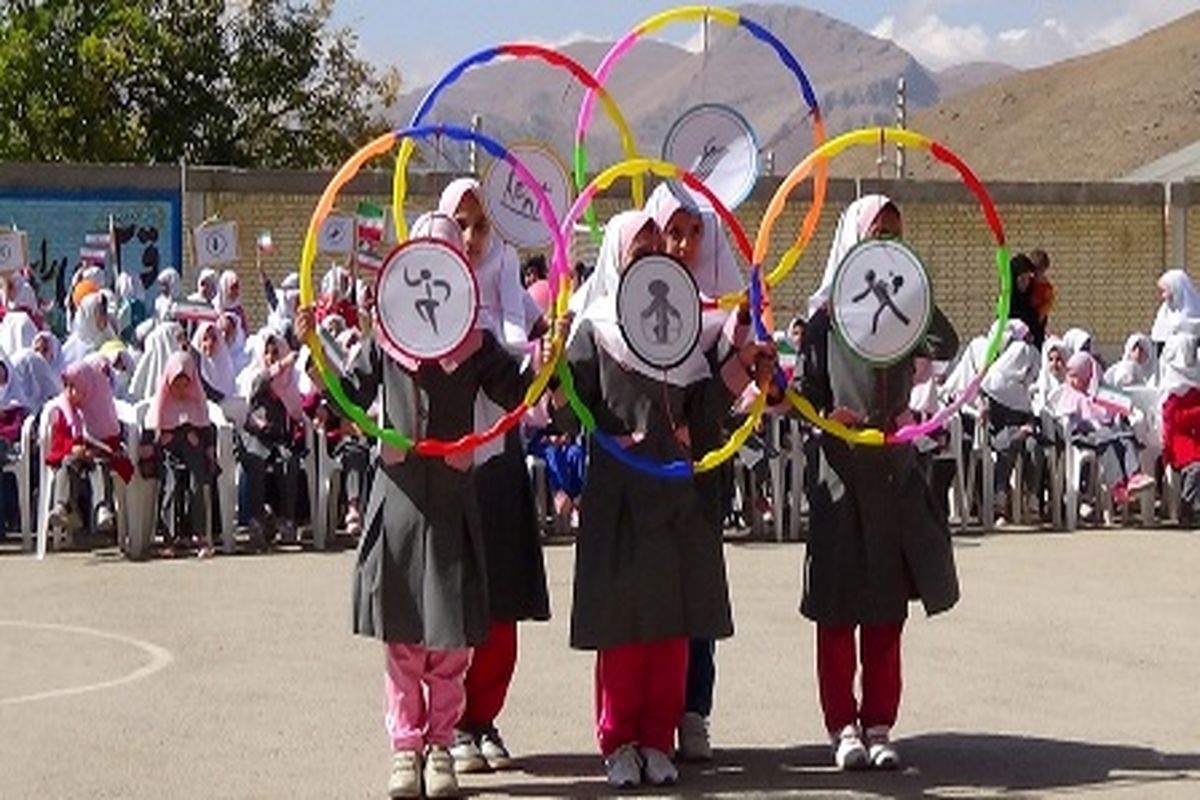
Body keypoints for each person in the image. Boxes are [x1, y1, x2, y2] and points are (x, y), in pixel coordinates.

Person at [297, 210, 532, 799]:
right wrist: (314, 344)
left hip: (453, 497)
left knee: (450, 635)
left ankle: (442, 743)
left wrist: (546, 351)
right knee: (403, 633)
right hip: (400, 498)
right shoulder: (387, 340)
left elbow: (516, 390)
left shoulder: (475, 344)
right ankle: (406, 747)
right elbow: (351, 394)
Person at [551, 210, 771, 790]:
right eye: (639, 242)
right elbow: (572, 397)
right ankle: (618, 740)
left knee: (672, 624)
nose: (651, 249)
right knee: (625, 627)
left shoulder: (685, 331)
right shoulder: (596, 327)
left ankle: (657, 737)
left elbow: (703, 411)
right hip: (620, 495)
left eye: (657, 242)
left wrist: (740, 371)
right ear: (617, 254)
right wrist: (605, 428)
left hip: (675, 494)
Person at [800, 194, 959, 772]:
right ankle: (841, 724)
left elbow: (946, 344)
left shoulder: (907, 315)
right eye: (877, 235)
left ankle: (880, 722)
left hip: (893, 474)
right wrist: (828, 417)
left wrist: (914, 291)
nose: (886, 243)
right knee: (839, 603)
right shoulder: (824, 320)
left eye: (895, 235)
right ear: (853, 241)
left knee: (887, 609)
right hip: (841, 477)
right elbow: (804, 394)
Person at [437, 182, 550, 775]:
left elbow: (529, 381)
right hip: (447, 466)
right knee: (453, 599)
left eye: (483, 226)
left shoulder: (516, 309)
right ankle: (451, 720)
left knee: (501, 597)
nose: (473, 238)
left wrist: (545, 357)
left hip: (501, 459)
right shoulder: (422, 309)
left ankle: (484, 717)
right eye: (462, 224)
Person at [644, 181, 745, 762]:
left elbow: (741, 381)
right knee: (649, 585)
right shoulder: (634, 307)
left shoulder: (726, 313)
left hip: (703, 463)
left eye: (693, 233)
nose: (682, 244)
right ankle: (649, 713)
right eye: (672, 233)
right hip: (646, 464)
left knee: (698, 580)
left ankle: (693, 711)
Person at [44, 358, 133, 540]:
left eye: (74, 387)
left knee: (100, 466)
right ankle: (62, 507)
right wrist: (74, 448)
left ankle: (102, 508)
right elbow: (58, 443)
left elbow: (112, 441)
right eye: (67, 387)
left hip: (100, 457)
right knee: (67, 464)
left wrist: (94, 450)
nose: (70, 393)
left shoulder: (100, 406)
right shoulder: (65, 411)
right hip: (74, 458)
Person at [140, 352, 218, 557]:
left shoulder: (197, 404)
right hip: (168, 458)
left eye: (185, 385)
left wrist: (195, 438)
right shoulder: (160, 405)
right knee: (171, 486)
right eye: (176, 385)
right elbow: (152, 435)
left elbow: (206, 432)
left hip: (194, 458)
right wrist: (173, 437)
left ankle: (199, 535)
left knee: (197, 485)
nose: (181, 390)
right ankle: (169, 538)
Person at [1056, 352, 1154, 506]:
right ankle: (1118, 487)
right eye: (1071, 375)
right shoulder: (1071, 394)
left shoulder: (1103, 392)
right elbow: (1066, 418)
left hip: (1109, 433)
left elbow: (1122, 406)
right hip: (1085, 435)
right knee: (1108, 441)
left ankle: (1134, 476)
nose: (1073, 381)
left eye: (1077, 376)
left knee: (1126, 438)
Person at [238, 330, 306, 550]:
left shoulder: (289, 382)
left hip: (279, 439)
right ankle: (256, 521)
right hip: (255, 438)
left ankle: (287, 520)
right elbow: (257, 386)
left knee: (290, 462)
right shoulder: (254, 375)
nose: (270, 357)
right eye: (267, 353)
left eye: (275, 352)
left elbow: (297, 411)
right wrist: (279, 367)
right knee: (256, 463)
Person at [1159, 326, 1200, 521]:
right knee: (1196, 468)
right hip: (1180, 442)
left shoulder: (1195, 380)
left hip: (1195, 436)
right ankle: (1188, 505)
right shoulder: (1173, 386)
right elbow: (1174, 418)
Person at [62, 291, 119, 366]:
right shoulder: (72, 349)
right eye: (100, 312)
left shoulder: (108, 334)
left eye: (104, 311)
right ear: (89, 316)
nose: (105, 317)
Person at [1151, 269, 1200, 348]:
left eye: (1164, 291)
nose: (1163, 296)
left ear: (1176, 289)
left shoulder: (1197, 312)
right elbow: (1157, 340)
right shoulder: (1164, 313)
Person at [192, 321, 238, 403]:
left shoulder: (226, 368)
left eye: (214, 339)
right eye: (205, 339)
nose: (210, 343)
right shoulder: (194, 369)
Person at [1008, 253, 1046, 349]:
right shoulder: (1008, 301)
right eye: (1022, 279)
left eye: (1028, 278)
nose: (1026, 282)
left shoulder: (1033, 298)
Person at [1028, 249, 1055, 335]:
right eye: (1034, 270)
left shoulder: (1047, 289)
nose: (1035, 273)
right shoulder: (1028, 283)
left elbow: (1043, 311)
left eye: (1039, 270)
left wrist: (1036, 322)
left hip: (1036, 323)